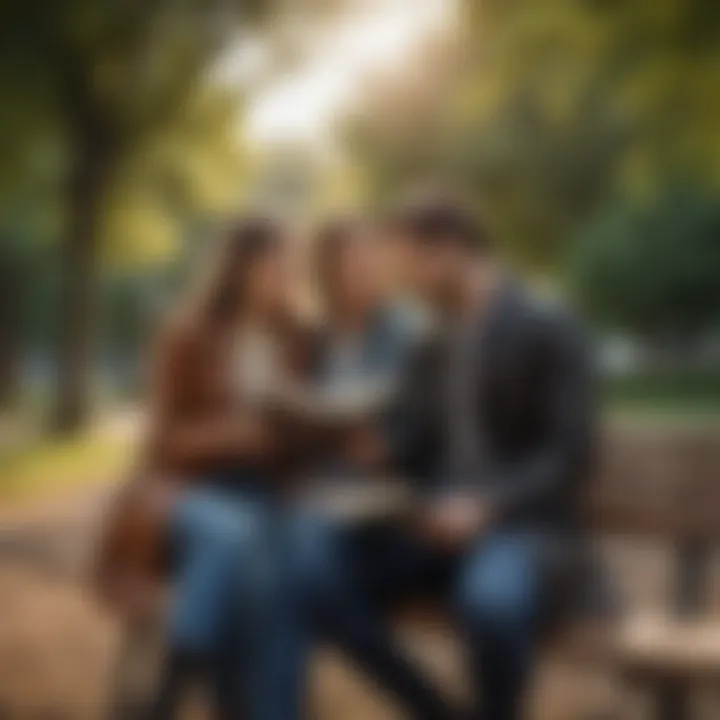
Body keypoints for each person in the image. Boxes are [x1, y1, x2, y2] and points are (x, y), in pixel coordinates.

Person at [295, 194, 596, 720]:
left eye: (409, 263)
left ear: (450, 250)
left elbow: (568, 455)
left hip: (522, 530)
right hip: (437, 528)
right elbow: (416, 441)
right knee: (315, 583)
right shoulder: (435, 339)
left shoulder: (549, 324)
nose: (402, 280)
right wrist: (379, 449)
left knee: (492, 606)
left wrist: (484, 507)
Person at [101, 217, 312, 720]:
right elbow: (161, 440)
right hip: (191, 491)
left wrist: (297, 431)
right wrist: (231, 434)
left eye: (290, 267)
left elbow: (309, 427)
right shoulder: (188, 333)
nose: (284, 278)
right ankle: (218, 697)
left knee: (239, 563)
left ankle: (171, 699)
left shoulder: (299, 339)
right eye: (272, 266)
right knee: (234, 539)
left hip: (264, 494)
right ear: (239, 269)